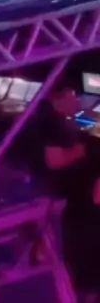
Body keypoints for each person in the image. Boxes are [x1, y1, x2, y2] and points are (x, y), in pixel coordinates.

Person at [34, 84, 100, 301]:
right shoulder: (52, 123)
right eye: (73, 96)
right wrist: (81, 150)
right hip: (77, 213)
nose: (77, 101)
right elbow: (54, 161)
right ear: (60, 97)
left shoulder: (55, 121)